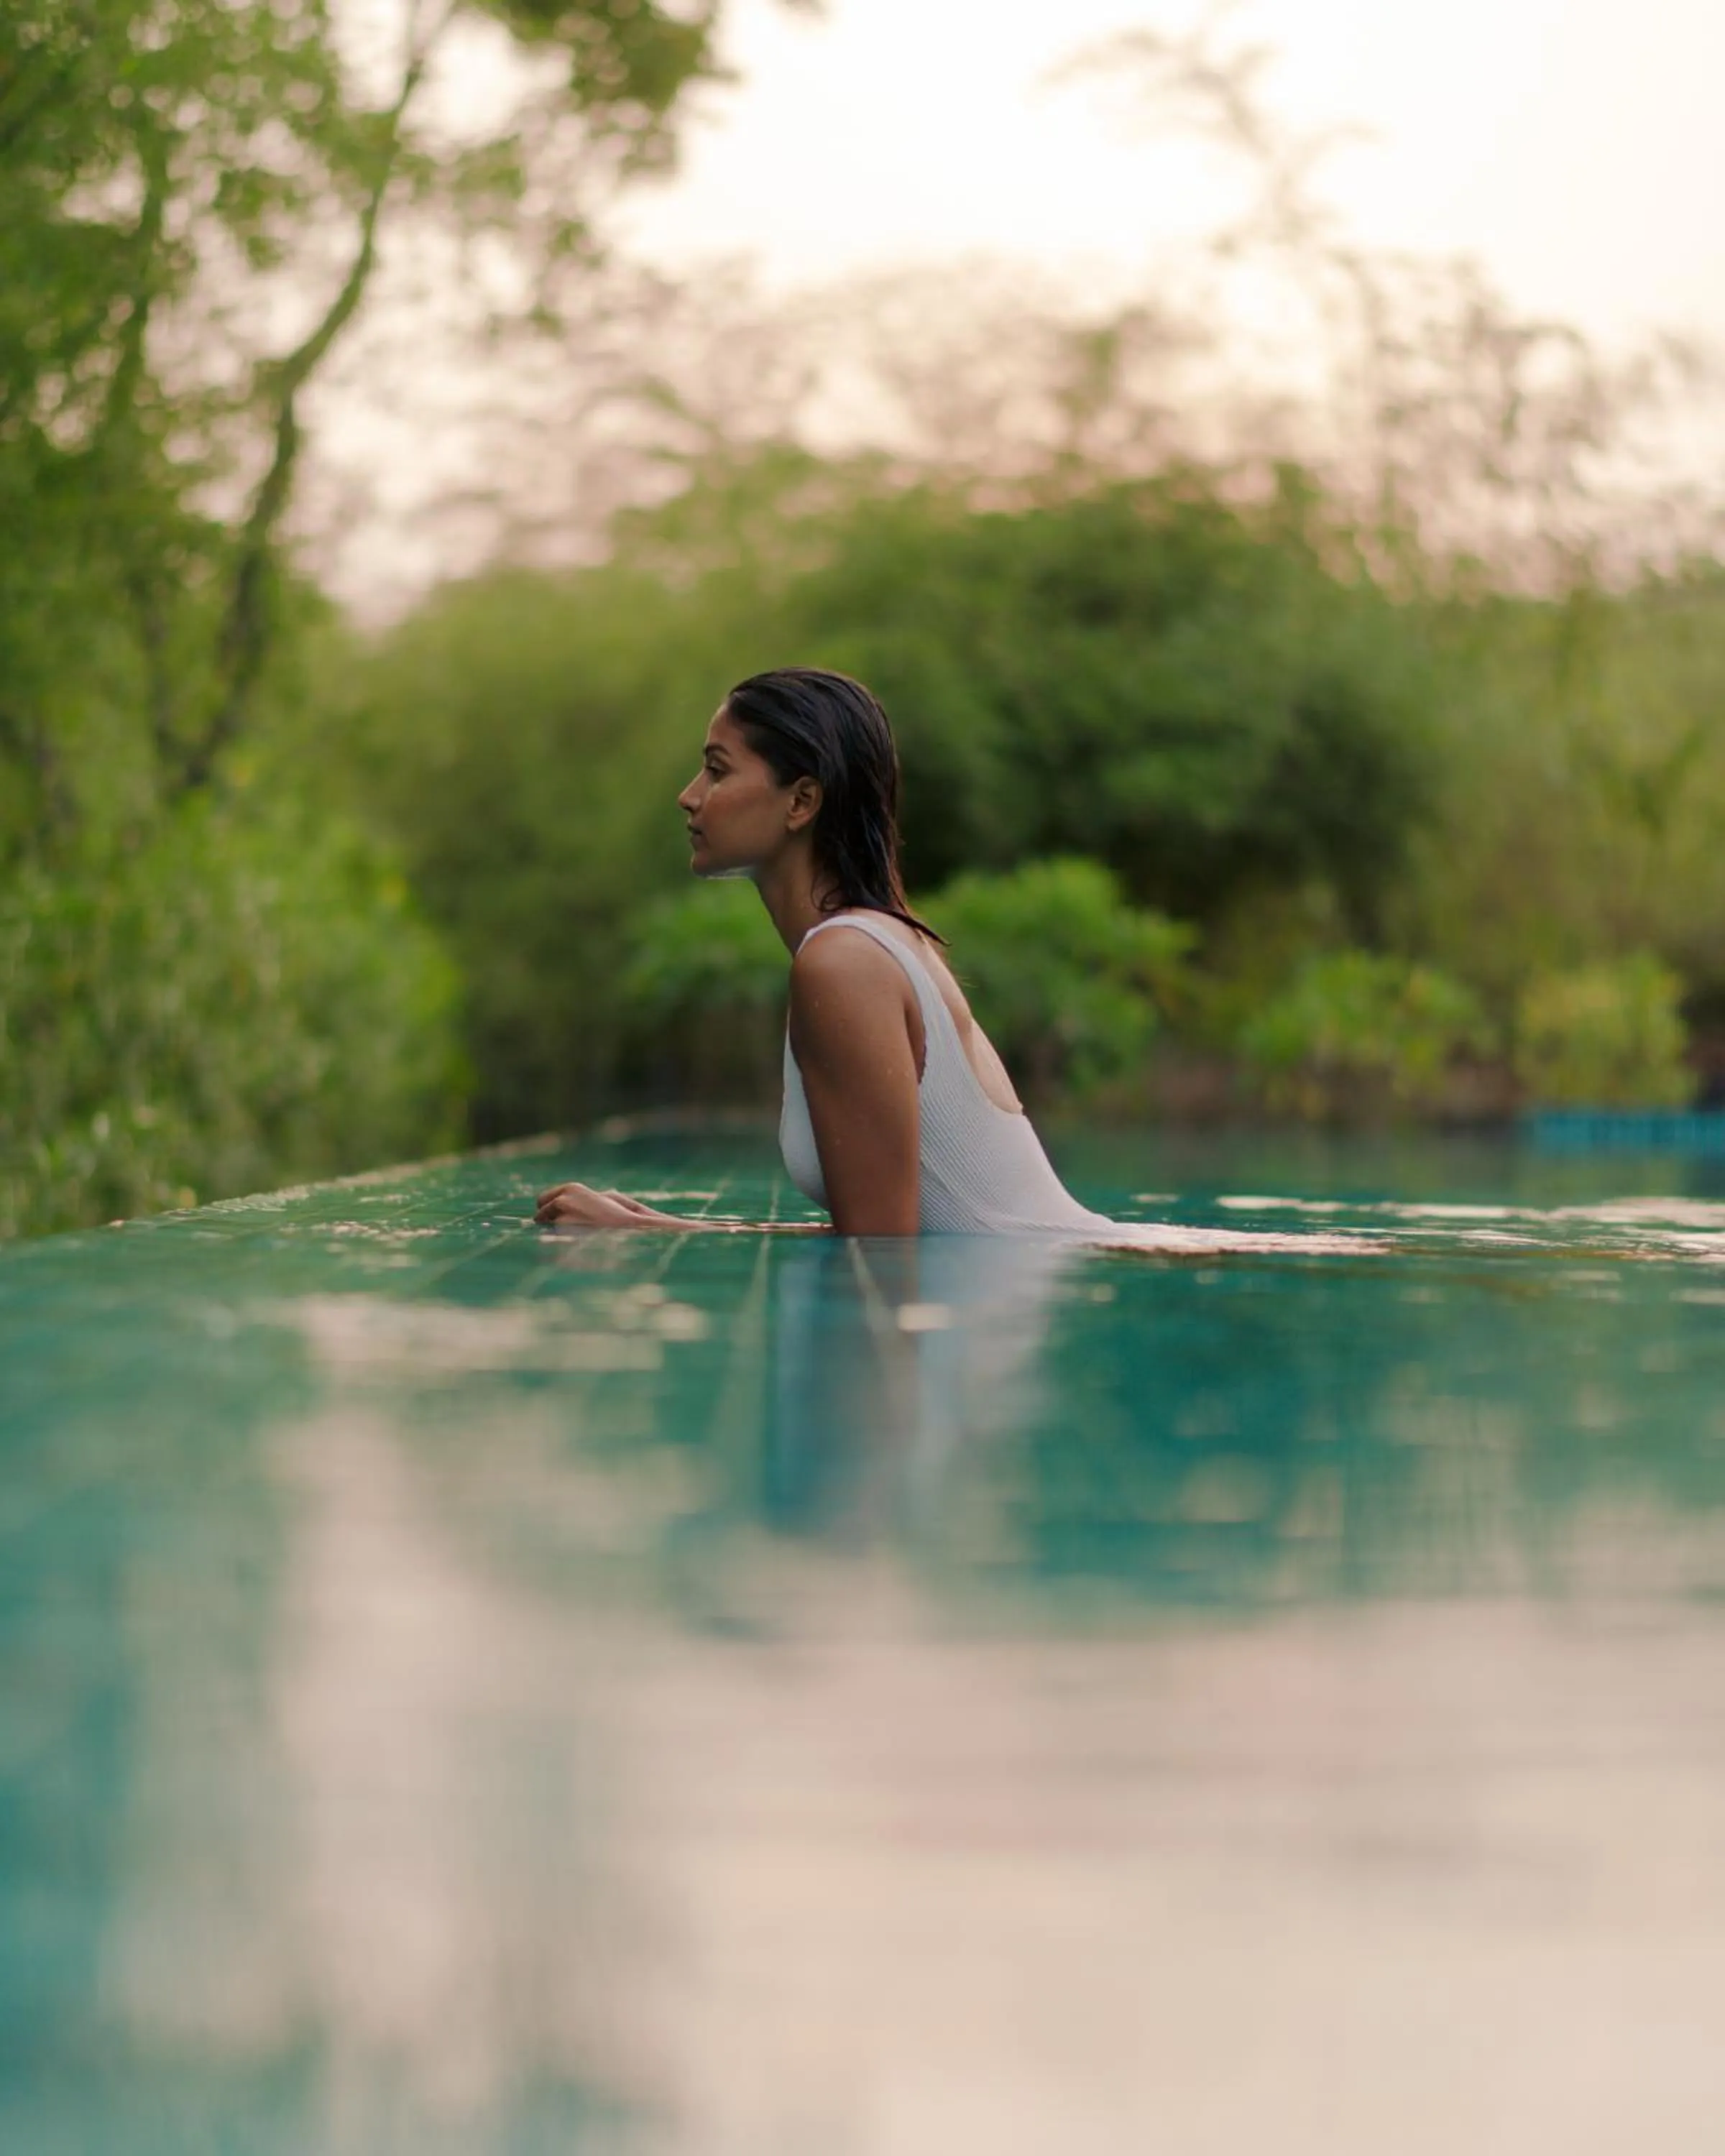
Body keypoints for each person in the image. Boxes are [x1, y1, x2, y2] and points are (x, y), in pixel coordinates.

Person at [535, 668, 1363, 1253]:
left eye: (716, 770)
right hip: (1050, 1278)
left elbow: (882, 1259)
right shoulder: (879, 942)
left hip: (1049, 1279)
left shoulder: (845, 964)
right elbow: (894, 1234)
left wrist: (654, 1235)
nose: (689, 795)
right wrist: (679, 1226)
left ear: (801, 800)